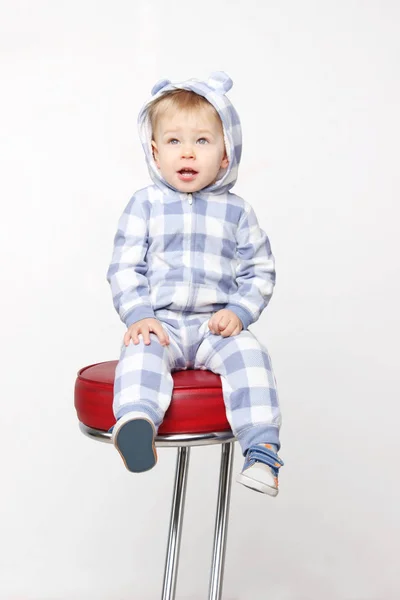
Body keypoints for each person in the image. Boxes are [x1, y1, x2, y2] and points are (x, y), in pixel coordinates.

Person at [106, 71, 284, 496]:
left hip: (214, 328)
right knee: (140, 354)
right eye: (173, 141)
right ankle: (136, 423)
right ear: (154, 151)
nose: (187, 152)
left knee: (251, 358)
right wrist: (139, 314)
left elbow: (259, 270)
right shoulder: (144, 205)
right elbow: (125, 266)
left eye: (202, 141)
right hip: (162, 323)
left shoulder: (237, 212)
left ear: (225, 155)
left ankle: (261, 452)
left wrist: (239, 312)